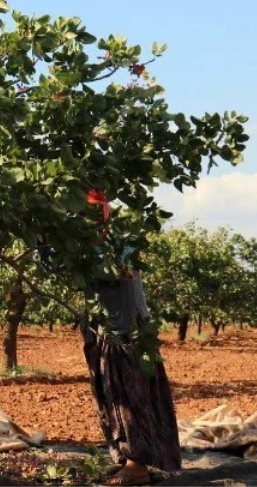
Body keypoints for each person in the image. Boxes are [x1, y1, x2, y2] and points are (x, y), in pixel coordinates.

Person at [83, 190, 182, 487]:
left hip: (126, 332)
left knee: (132, 397)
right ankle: (127, 458)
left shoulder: (121, 244)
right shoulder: (84, 246)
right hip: (104, 329)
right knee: (112, 397)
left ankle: (138, 465)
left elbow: (119, 272)